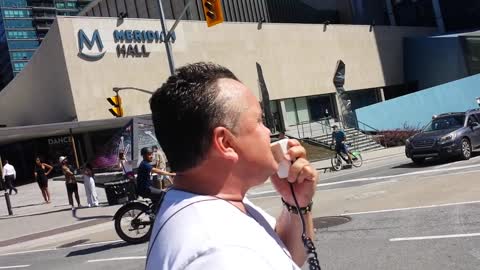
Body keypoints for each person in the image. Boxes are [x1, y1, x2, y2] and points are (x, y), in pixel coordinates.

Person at [146, 62, 318, 269]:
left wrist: (296, 205)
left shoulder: (214, 207)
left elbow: (285, 255)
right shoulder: (223, 253)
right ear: (225, 143)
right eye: (259, 121)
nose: (268, 132)